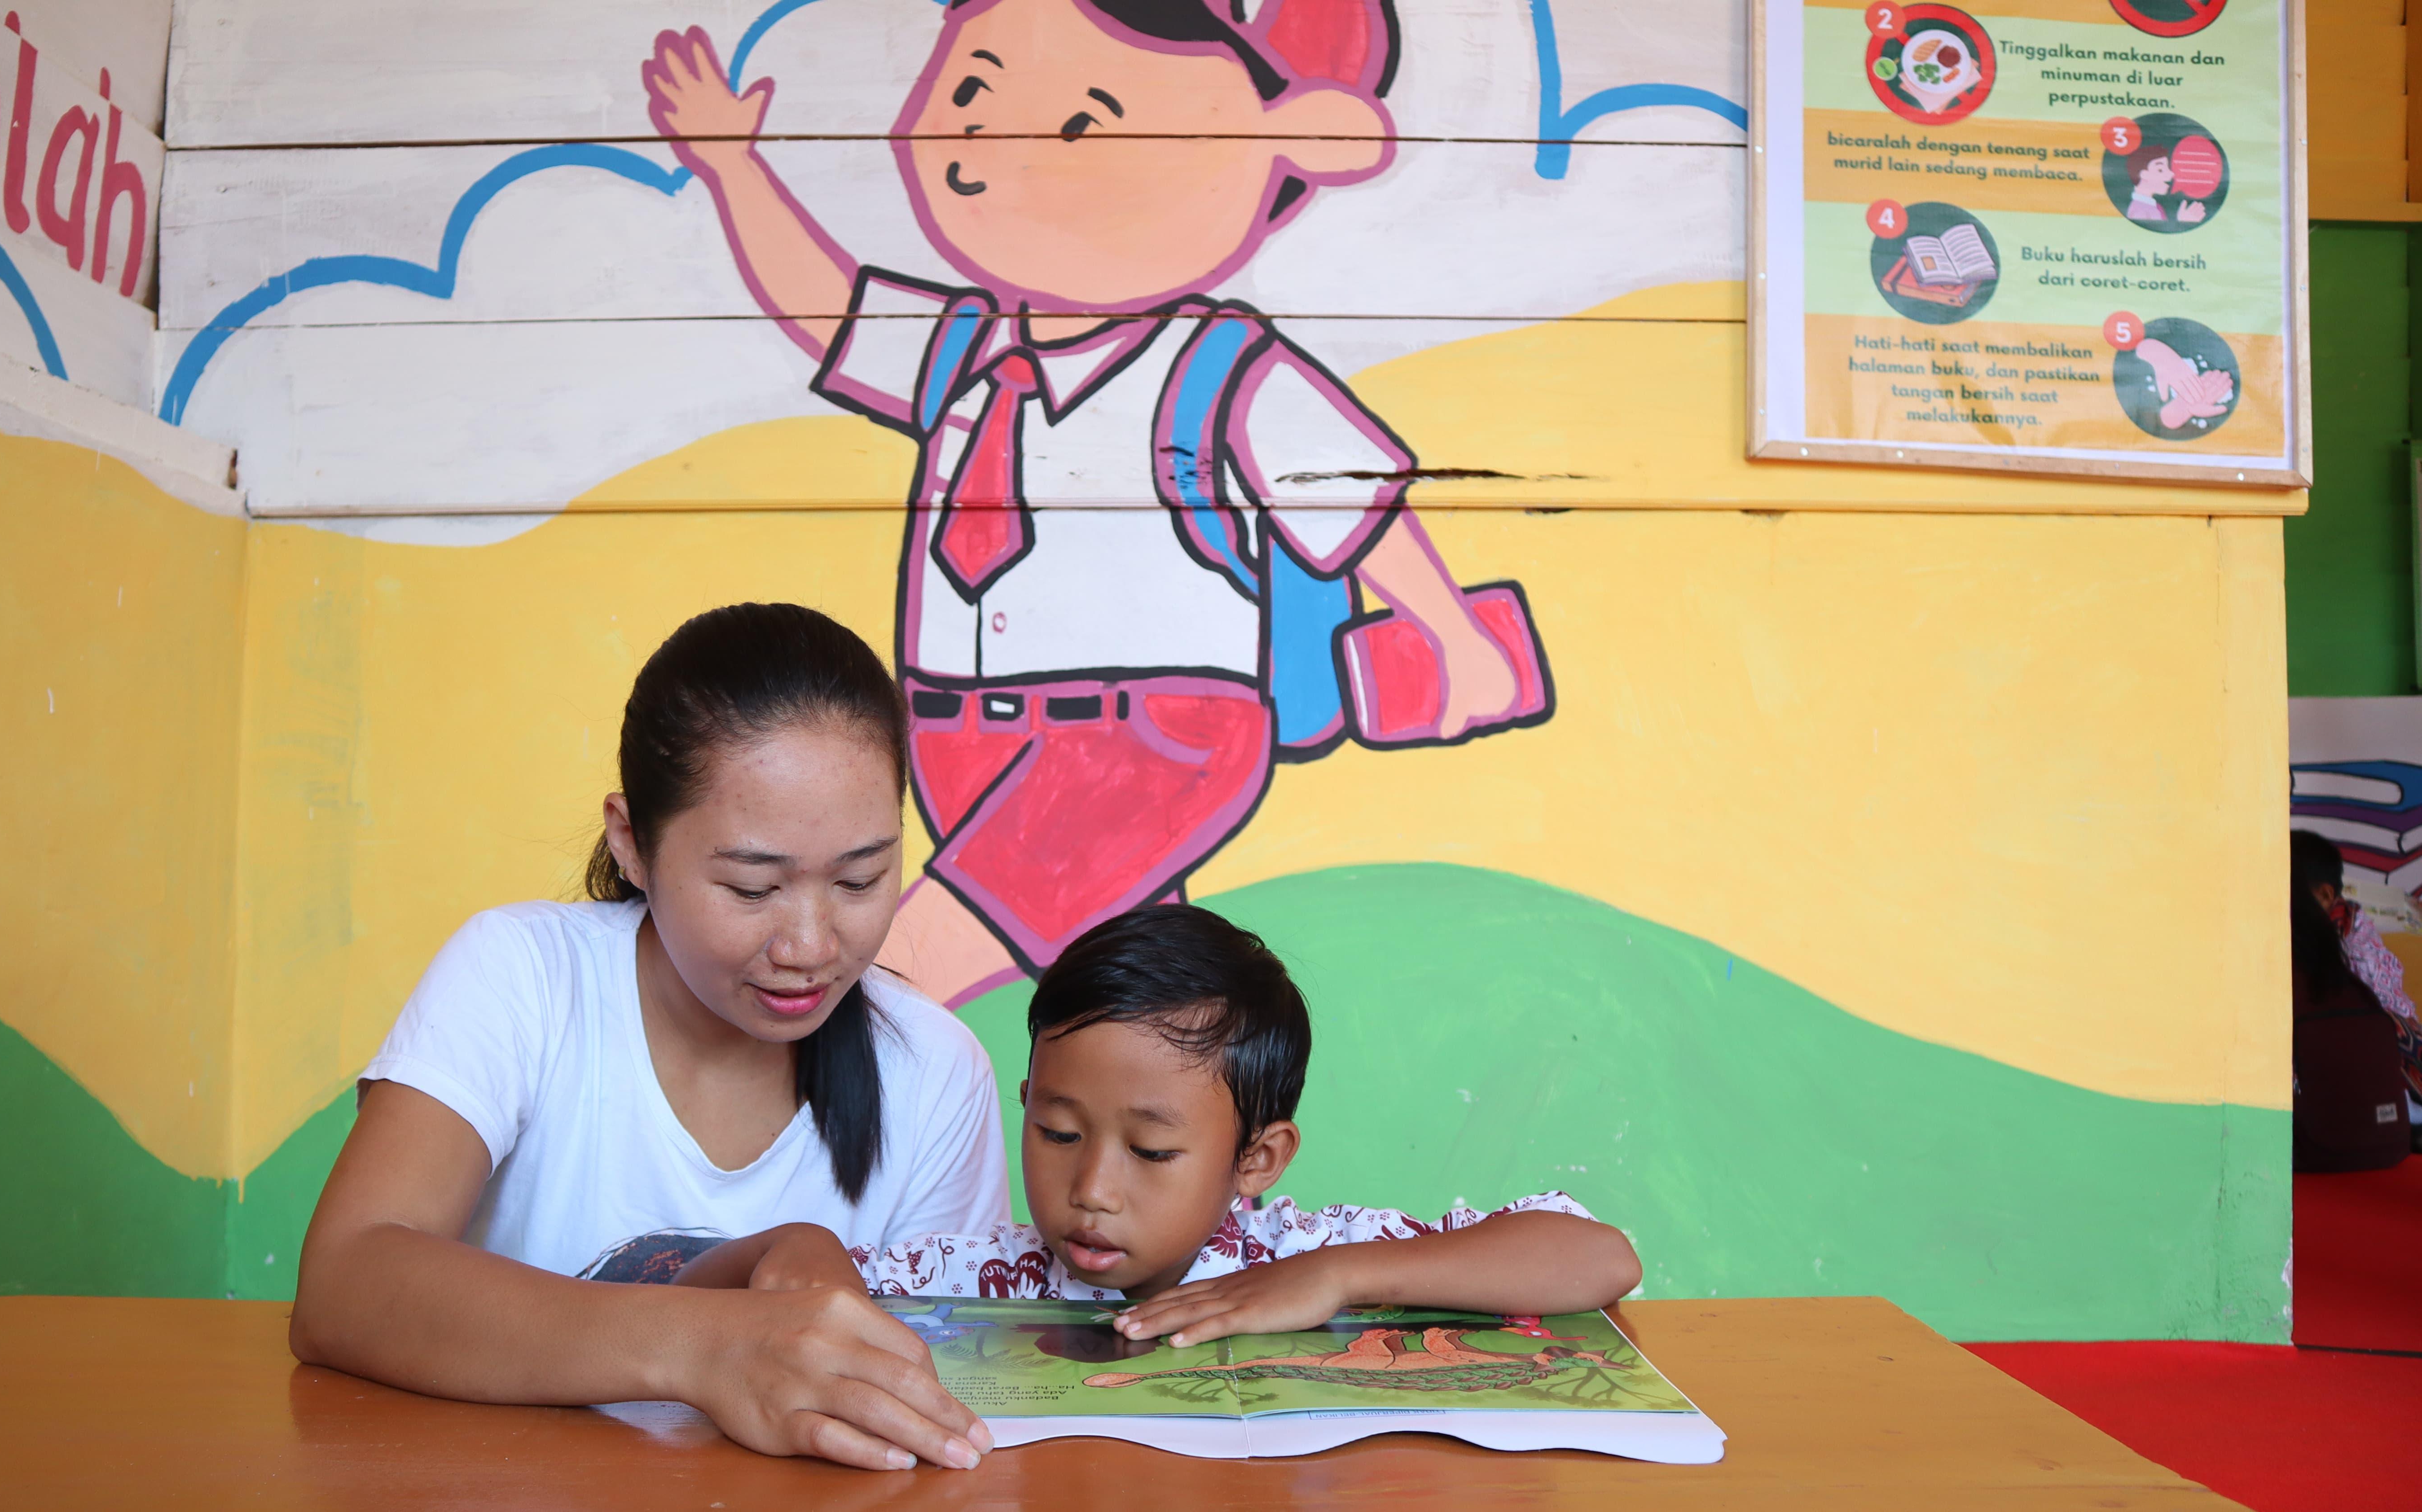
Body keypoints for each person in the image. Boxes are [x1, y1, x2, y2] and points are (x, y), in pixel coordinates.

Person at [644, 0, 1543, 1007]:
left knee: (900, 974)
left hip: (1153, 743)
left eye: (1084, 119)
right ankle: (1185, 1153)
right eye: (974, 89)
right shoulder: (965, 351)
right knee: (1135, 1008)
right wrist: (736, 170)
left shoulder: (1218, 367)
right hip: (956, 735)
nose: (993, 139)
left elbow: (1355, 505)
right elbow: (831, 310)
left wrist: (1453, 635)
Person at [290, 603, 1011, 1472]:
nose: (813, 946)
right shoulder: (526, 976)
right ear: (632, 843)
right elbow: (346, 1285)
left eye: (861, 878)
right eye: (752, 889)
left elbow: (929, 1409)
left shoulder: (934, 1072)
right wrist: (710, 1344)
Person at [679, 905, 1642, 1343]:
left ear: (1256, 1157)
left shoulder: (1306, 1254)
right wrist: (794, 1243)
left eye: (1151, 1150)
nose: (1093, 1189)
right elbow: (683, 1281)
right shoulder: (971, 1280)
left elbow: (1597, 1258)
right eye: (1059, 1132)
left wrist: (1340, 1276)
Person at [2289, 832, 2411, 1171]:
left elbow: (2397, 1018)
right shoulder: (2270, 933)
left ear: (2326, 895)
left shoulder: (2355, 933)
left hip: (2365, 1091)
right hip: (2352, 1117)